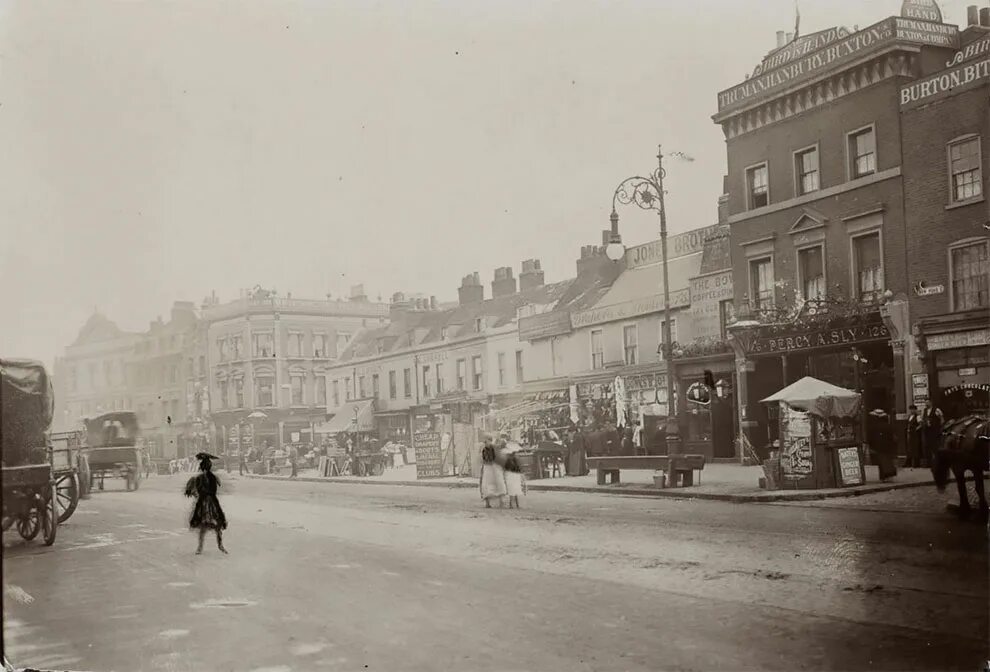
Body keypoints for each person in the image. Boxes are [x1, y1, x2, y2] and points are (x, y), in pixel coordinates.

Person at [184, 452, 228, 555]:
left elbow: (197, 491)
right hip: (212, 502)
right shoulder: (213, 478)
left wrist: (198, 494)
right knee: (217, 525)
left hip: (203, 502)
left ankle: (200, 548)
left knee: (203, 526)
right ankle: (220, 545)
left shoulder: (199, 478)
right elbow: (215, 489)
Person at [866, 409, 897, 482]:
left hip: (879, 446)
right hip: (887, 446)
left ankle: (884, 476)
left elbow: (871, 437)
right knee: (887, 460)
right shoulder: (888, 425)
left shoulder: (874, 426)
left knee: (881, 462)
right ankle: (888, 475)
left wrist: (871, 444)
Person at [479, 440, 507, 509]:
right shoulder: (488, 449)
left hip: (491, 468)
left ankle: (499, 502)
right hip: (491, 468)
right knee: (494, 484)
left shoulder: (490, 449)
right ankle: (494, 503)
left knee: (493, 484)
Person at [921, 400, 945, 466]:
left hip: (935, 430)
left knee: (935, 446)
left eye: (927, 402)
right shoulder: (924, 410)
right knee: (927, 446)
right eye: (925, 402)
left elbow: (942, 419)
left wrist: (940, 427)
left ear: (931, 403)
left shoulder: (936, 410)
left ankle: (938, 462)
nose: (926, 404)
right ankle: (929, 463)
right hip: (927, 431)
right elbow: (922, 419)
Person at [906, 405, 923, 469]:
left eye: (912, 409)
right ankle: (909, 462)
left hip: (915, 434)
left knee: (915, 448)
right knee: (910, 448)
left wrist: (916, 429)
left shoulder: (917, 416)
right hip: (910, 433)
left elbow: (920, 424)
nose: (911, 411)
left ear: (915, 410)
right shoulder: (910, 416)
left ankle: (916, 463)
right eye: (910, 409)